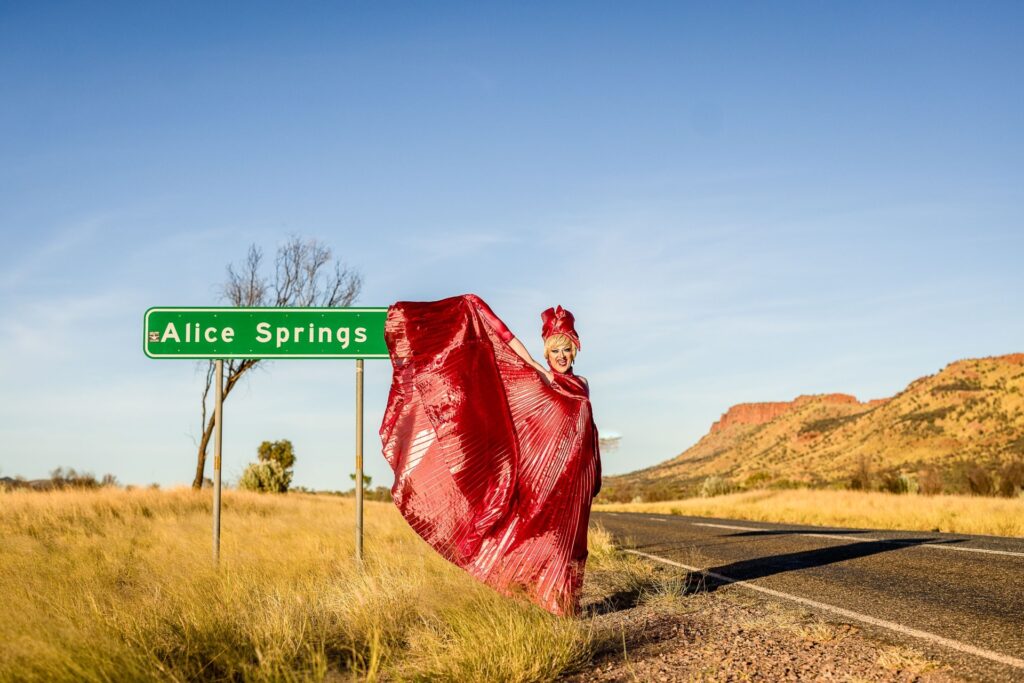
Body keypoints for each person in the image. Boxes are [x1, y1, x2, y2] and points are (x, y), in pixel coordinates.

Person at [379, 293, 601, 616]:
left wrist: (594, 471)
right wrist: (477, 309)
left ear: (576, 349)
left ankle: (566, 604)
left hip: (575, 482)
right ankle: (553, 607)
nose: (561, 355)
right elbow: (510, 344)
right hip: (547, 485)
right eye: (555, 350)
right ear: (546, 353)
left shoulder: (582, 385)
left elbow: (588, 431)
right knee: (549, 541)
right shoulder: (543, 379)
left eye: (567, 349)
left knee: (573, 544)